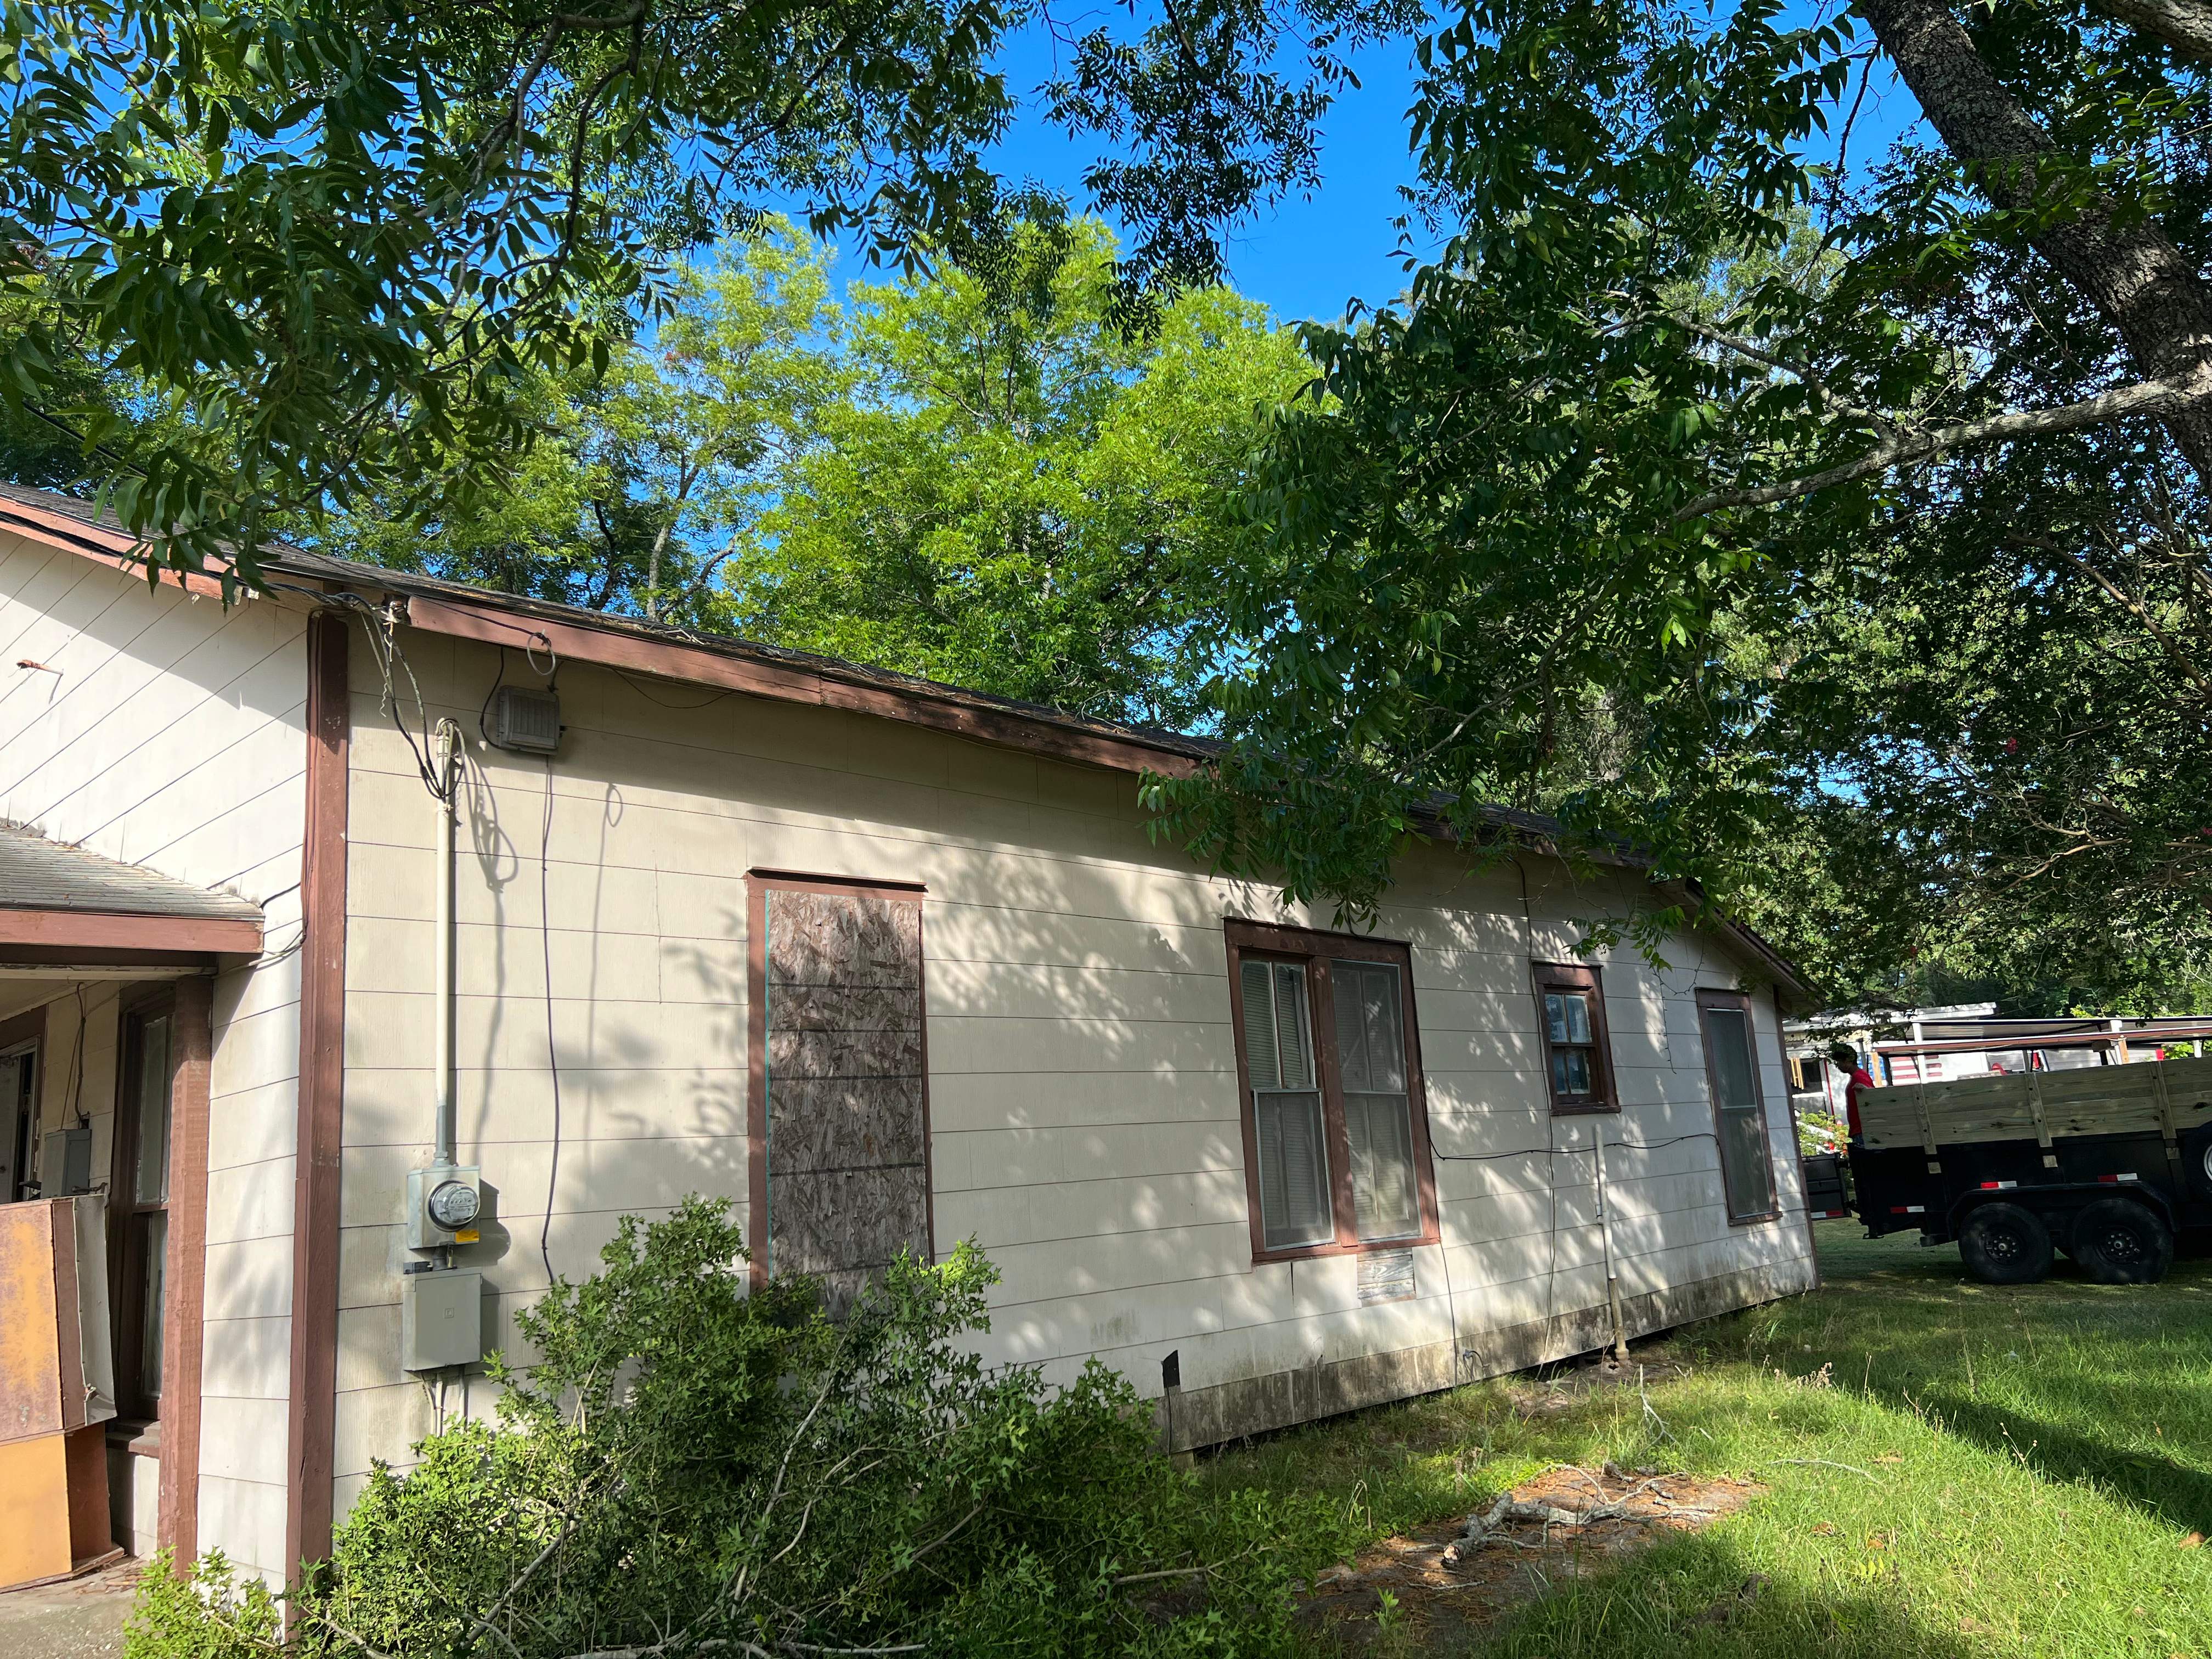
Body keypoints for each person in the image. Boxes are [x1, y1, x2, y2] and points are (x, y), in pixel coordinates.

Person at [1830, 1041, 1877, 1141]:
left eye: (1839, 1062)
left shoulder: (1859, 1077)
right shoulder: (1857, 1076)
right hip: (1860, 1130)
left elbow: (1873, 1098)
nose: (1838, 1066)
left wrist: (1866, 1090)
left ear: (1848, 1061)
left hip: (1863, 1131)